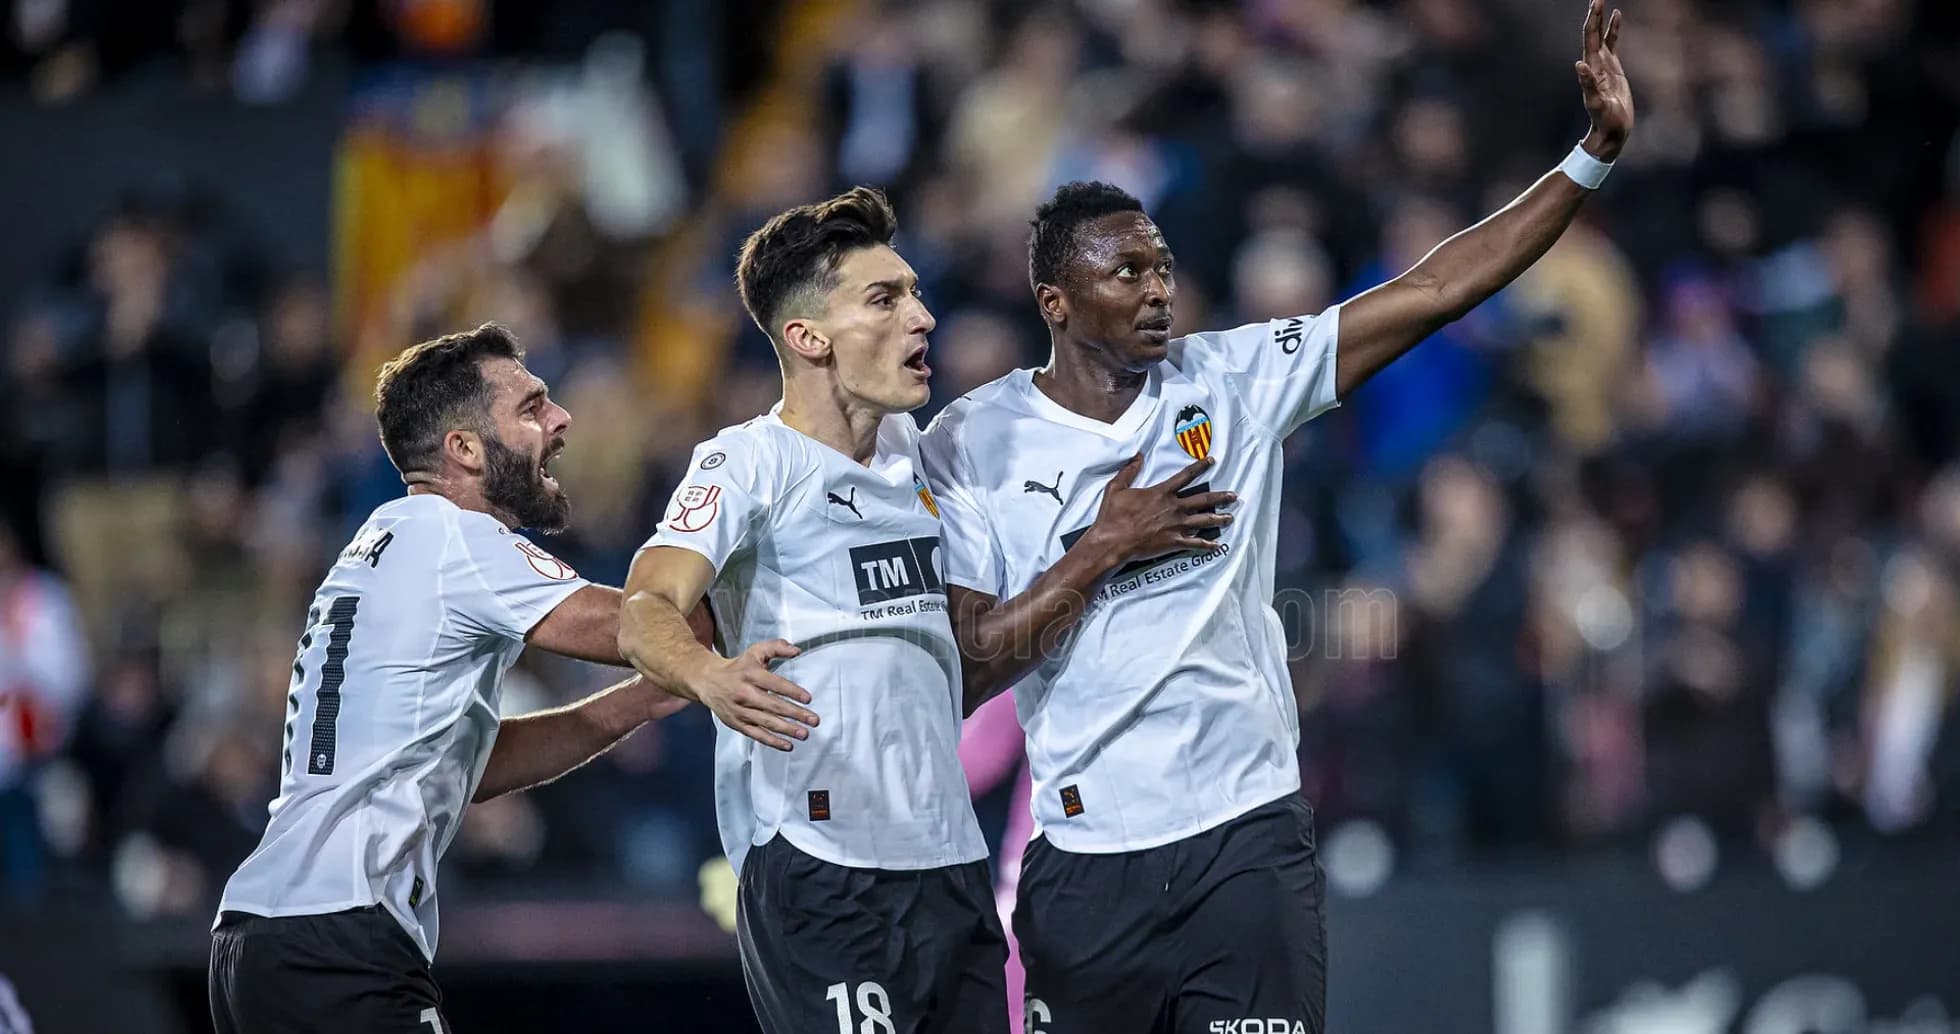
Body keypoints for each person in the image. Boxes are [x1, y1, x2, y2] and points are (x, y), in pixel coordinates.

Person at [917, 4, 1635, 1031]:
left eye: (1162, 265)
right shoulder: (971, 443)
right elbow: (971, 667)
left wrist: (1589, 159)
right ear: (1055, 300)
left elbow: (1433, 288)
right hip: (1084, 864)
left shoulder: (1235, 378)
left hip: (1244, 846)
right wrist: (1101, 549)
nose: (1158, 289)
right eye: (1125, 272)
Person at [209, 323, 718, 1034]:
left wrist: (637, 703)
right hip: (342, 941)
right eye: (532, 407)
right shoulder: (459, 539)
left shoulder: (379, 542)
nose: (560, 418)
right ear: (465, 449)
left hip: (259, 939)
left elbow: (470, 767)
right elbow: (644, 626)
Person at [618, 187, 1009, 1034]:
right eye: (886, 298)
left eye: (914, 292)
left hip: (950, 863)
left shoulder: (925, 459)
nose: (923, 317)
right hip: (821, 862)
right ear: (808, 337)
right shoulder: (746, 463)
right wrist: (708, 674)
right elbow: (645, 603)